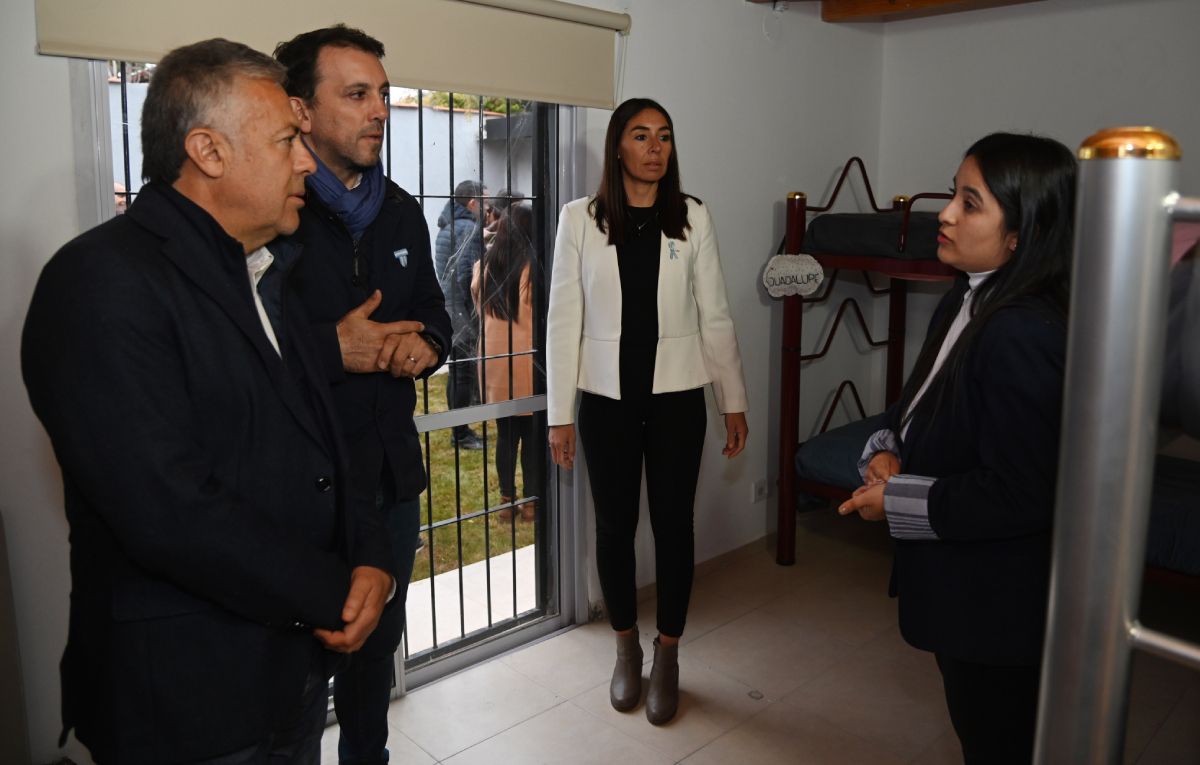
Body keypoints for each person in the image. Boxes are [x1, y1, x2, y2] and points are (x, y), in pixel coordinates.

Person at [21, 38, 395, 764]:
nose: (307, 162)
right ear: (208, 151)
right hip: (189, 707)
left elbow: (323, 448)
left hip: (285, 678)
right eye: (288, 139)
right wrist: (336, 589)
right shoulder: (100, 283)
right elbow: (170, 509)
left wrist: (372, 555)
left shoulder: (263, 273)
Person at [838, 133, 1077, 764]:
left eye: (970, 203)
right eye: (952, 193)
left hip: (997, 608)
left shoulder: (1022, 331)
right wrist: (886, 446)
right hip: (964, 594)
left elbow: (1025, 491)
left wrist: (897, 501)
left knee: (999, 742)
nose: (944, 212)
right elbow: (916, 407)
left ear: (1020, 236)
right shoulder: (965, 298)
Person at [273, 25, 452, 765]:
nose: (380, 109)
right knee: (297, 676)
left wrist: (428, 346)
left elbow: (439, 314)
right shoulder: (268, 216)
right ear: (302, 111)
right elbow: (230, 363)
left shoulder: (401, 209)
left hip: (390, 478)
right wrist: (331, 350)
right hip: (298, 490)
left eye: (382, 93)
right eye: (356, 94)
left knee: (376, 654)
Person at [545, 97, 749, 726]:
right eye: (641, 135)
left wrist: (732, 399)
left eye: (664, 136)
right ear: (618, 147)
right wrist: (558, 412)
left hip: (677, 402)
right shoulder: (580, 219)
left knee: (673, 528)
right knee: (612, 528)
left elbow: (715, 314)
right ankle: (626, 648)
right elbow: (563, 322)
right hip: (605, 404)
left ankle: (668, 654)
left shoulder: (691, 218)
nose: (655, 147)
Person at [472, 202, 539, 522]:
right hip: (527, 362)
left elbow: (475, 300)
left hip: (495, 362)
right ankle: (530, 502)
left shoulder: (485, 265)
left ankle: (505, 501)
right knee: (531, 436)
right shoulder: (534, 270)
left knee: (506, 435)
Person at [435, 179, 488, 449]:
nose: (487, 207)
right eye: (484, 200)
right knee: (464, 372)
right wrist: (477, 310)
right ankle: (461, 433)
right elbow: (472, 275)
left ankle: (459, 429)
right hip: (463, 309)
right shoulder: (469, 228)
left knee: (457, 370)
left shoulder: (447, 226)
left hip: (448, 305)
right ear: (472, 203)